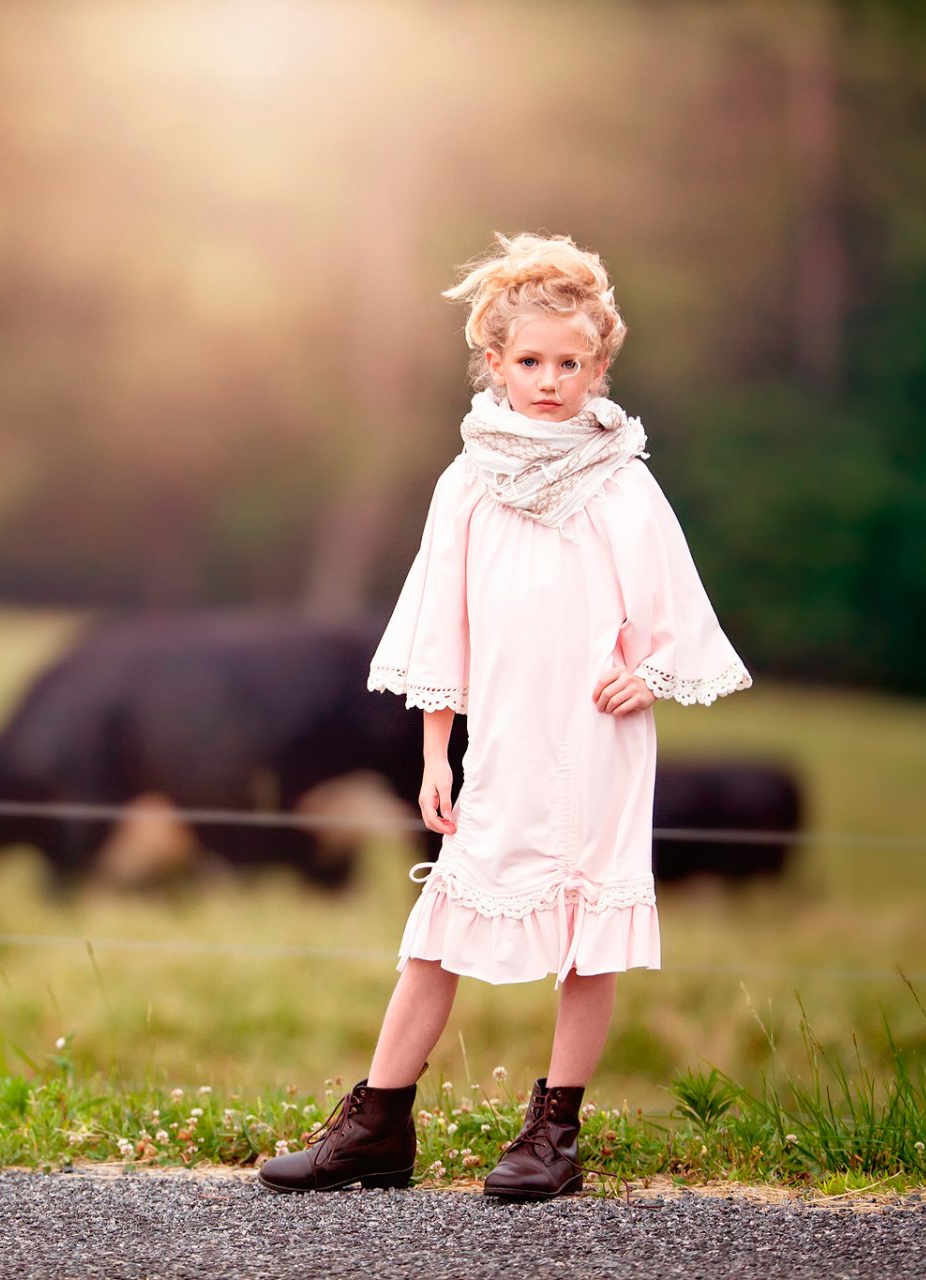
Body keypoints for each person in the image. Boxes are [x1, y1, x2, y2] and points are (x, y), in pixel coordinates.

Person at [258, 231, 751, 1200]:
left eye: (571, 363)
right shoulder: (469, 481)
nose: (551, 380)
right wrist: (437, 750)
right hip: (504, 741)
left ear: (599, 366)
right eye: (530, 361)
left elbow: (675, 614)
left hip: (597, 742)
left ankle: (552, 1133)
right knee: (439, 926)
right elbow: (444, 621)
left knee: (586, 932)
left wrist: (646, 674)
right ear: (494, 363)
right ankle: (378, 1121)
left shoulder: (621, 479)